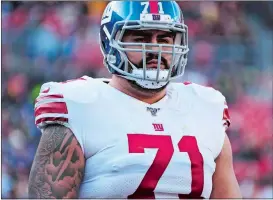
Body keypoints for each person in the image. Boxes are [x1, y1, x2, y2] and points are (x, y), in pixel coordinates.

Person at [28, 1, 242, 199]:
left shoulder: (206, 108)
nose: (154, 49)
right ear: (111, 43)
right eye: (140, 39)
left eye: (164, 39)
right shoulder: (80, 105)